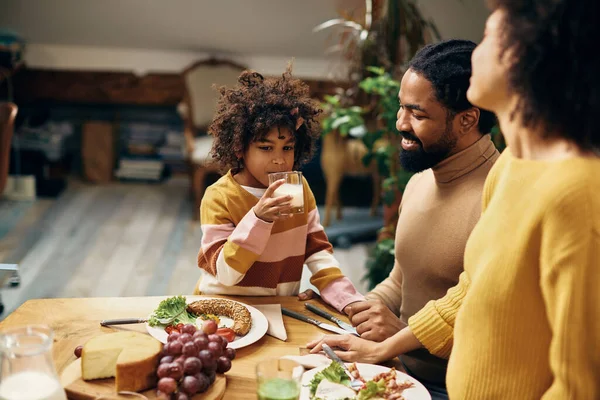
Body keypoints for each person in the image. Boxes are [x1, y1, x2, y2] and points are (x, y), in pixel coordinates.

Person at [309, 1, 600, 398]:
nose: (474, 50)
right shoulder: (513, 165)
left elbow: (580, 385)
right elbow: (470, 288)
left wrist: (394, 341)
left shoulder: (579, 193)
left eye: (491, 37)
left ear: (532, 58)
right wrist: (363, 326)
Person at [306, 39, 499, 399]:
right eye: (401, 108)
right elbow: (401, 279)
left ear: (467, 119)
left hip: (453, 388)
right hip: (398, 367)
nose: (400, 124)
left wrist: (396, 337)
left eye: (417, 114)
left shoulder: (501, 196)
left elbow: (492, 324)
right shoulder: (423, 179)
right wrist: (355, 312)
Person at [195, 65, 364, 314]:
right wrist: (259, 219)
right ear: (239, 148)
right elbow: (226, 274)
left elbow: (317, 251)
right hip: (222, 308)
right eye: (266, 148)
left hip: (277, 310)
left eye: (287, 148)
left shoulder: (299, 188)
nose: (279, 160)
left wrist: (349, 300)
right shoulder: (219, 197)